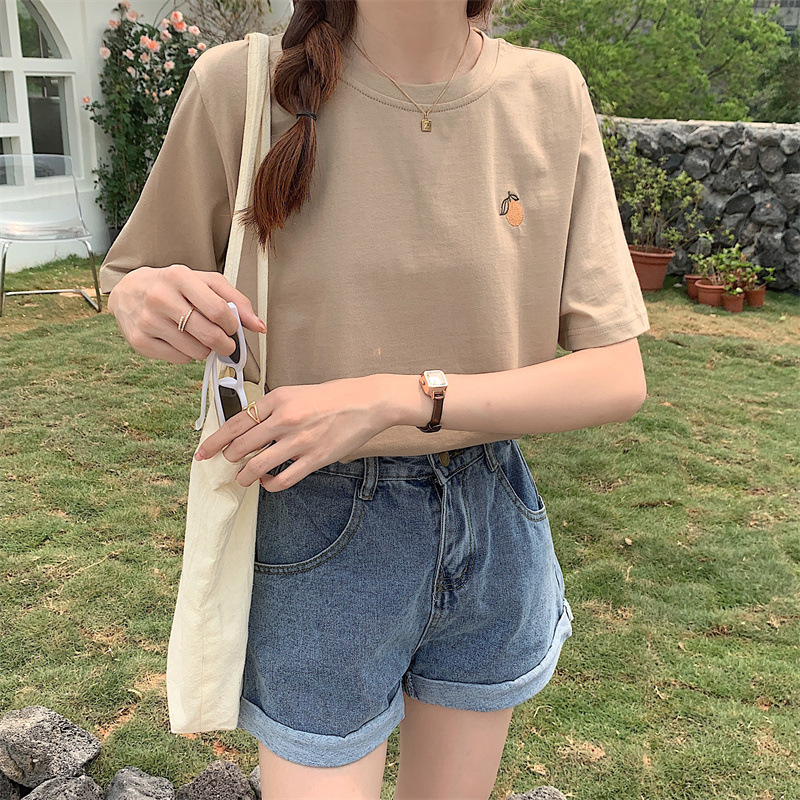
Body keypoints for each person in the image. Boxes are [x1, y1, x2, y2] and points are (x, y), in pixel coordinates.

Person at [99, 1, 650, 798]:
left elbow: (617, 373)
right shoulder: (239, 86)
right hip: (314, 522)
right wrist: (141, 297)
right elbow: (133, 274)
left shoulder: (550, 92)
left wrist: (395, 398)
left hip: (492, 511)